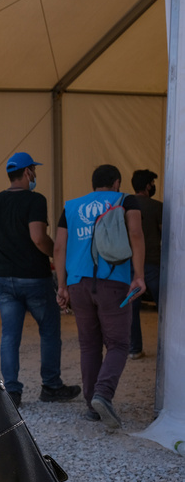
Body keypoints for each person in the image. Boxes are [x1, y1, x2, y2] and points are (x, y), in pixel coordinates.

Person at [54, 164, 146, 429]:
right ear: (116, 182)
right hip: (113, 281)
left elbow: (59, 247)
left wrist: (62, 285)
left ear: (94, 184)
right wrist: (138, 275)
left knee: (89, 345)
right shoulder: (124, 200)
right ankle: (103, 395)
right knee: (118, 343)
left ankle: (91, 406)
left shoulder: (71, 207)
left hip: (78, 283)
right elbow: (136, 233)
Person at [0, 151, 80, 407]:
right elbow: (38, 237)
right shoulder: (35, 200)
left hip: (4, 277)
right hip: (34, 277)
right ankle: (51, 385)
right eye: (33, 171)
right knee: (49, 331)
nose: (34, 175)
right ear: (28, 172)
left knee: (10, 336)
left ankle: (12, 393)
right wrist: (57, 255)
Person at [127, 169, 162, 359]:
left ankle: (135, 349)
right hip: (154, 264)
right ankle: (168, 349)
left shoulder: (124, 205)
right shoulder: (157, 207)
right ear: (148, 186)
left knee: (132, 308)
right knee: (164, 307)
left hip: (130, 264)